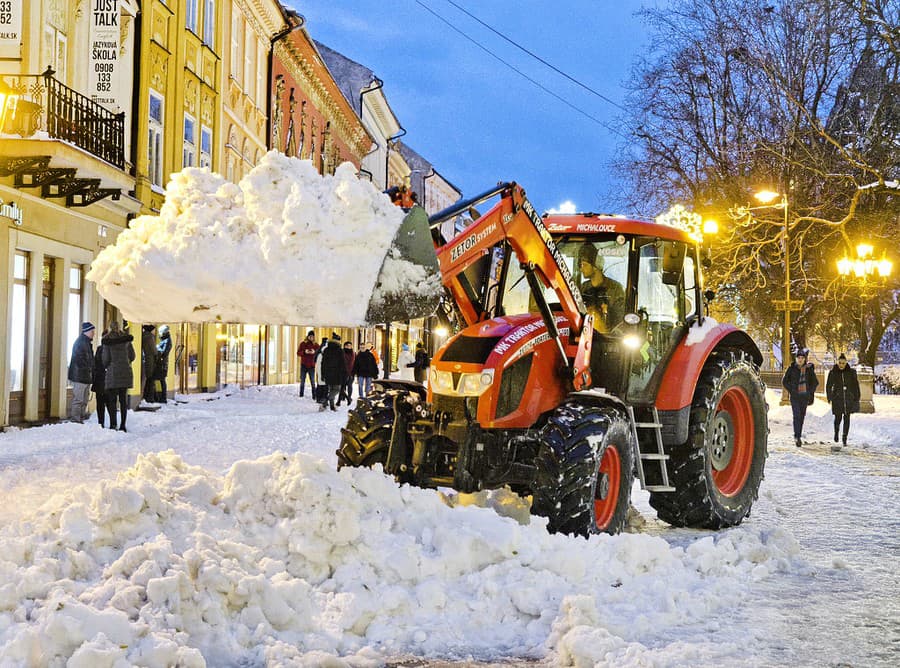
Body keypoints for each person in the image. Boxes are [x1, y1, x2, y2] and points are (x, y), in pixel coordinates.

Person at [578, 243, 626, 333]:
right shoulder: (583, 288)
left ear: (596, 265)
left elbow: (620, 321)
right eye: (580, 265)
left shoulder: (615, 289)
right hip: (585, 335)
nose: (581, 269)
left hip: (608, 340)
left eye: (584, 264)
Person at [782, 348, 819, 447]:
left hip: (804, 397)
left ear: (805, 359)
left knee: (801, 416)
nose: (800, 360)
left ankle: (798, 434)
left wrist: (809, 392)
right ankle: (797, 437)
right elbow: (785, 381)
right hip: (795, 397)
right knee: (797, 415)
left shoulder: (809, 369)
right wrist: (791, 390)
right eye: (799, 358)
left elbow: (815, 382)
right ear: (796, 359)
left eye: (802, 358)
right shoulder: (791, 368)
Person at [102, 321, 135, 432]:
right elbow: (132, 356)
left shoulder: (107, 340)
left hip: (113, 373)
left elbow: (105, 359)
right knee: (123, 400)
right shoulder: (126, 338)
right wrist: (125, 362)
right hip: (125, 371)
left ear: (110, 328)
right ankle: (123, 425)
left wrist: (109, 365)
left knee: (112, 400)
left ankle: (113, 424)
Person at [826, 353, 860, 449]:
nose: (841, 365)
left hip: (848, 398)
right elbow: (829, 385)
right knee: (838, 418)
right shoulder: (833, 372)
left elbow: (855, 385)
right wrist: (830, 396)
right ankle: (836, 433)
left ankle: (845, 437)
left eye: (843, 363)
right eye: (840, 363)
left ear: (846, 363)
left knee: (847, 418)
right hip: (837, 398)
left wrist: (856, 396)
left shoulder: (851, 372)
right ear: (837, 363)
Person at [67, 322, 95, 423]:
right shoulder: (81, 343)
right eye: (92, 331)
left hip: (84, 376)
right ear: (87, 332)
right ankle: (76, 420)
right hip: (79, 376)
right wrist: (89, 369)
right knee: (79, 399)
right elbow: (80, 360)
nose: (93, 333)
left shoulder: (86, 343)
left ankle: (80, 418)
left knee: (84, 399)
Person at [318, 332, 347, 412]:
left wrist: (322, 374)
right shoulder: (339, 350)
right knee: (336, 389)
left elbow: (323, 363)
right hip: (337, 373)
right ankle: (326, 400)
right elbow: (342, 363)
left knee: (331, 389)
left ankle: (332, 406)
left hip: (328, 373)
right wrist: (345, 372)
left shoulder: (326, 350)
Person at [92, 330, 111, 427]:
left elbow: (95, 364)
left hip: (100, 380)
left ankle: (101, 423)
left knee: (100, 404)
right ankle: (112, 423)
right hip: (109, 381)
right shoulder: (112, 350)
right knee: (110, 403)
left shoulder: (99, 349)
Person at [296, 330, 319, 398]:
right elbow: (298, 353)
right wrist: (304, 352)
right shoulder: (303, 344)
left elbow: (319, 353)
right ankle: (301, 394)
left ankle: (314, 395)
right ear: (308, 336)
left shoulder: (316, 345)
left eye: (312, 336)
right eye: (310, 336)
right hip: (304, 365)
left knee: (312, 381)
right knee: (302, 380)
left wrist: (314, 352)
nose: (311, 338)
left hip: (312, 366)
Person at [155, 324, 173, 403]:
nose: (159, 334)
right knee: (161, 379)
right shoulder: (165, 340)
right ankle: (162, 397)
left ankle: (163, 397)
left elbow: (164, 352)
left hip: (162, 363)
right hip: (162, 362)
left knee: (161, 379)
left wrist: (157, 349)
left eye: (160, 333)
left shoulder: (167, 341)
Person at [141, 324, 157, 403]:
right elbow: (154, 350)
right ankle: (149, 397)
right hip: (150, 359)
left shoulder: (143, 336)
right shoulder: (150, 337)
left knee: (148, 378)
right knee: (150, 378)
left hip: (145, 359)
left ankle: (146, 396)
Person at [338, 340, 356, 406]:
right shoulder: (342, 352)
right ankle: (345, 399)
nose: (349, 347)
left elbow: (354, 363)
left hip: (351, 372)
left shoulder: (353, 353)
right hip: (343, 372)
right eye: (347, 345)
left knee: (349, 386)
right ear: (345, 346)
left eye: (350, 346)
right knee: (342, 387)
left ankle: (348, 397)